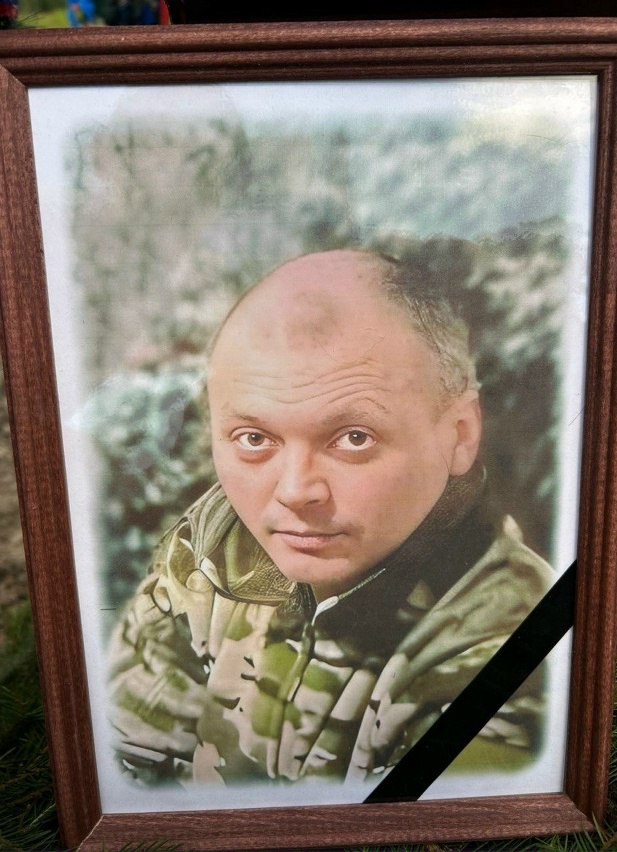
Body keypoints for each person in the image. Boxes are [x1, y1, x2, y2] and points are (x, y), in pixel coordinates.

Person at [108, 249, 554, 788]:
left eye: (354, 438)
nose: (295, 491)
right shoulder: (212, 548)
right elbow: (132, 773)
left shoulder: (512, 653)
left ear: (460, 435)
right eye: (254, 439)